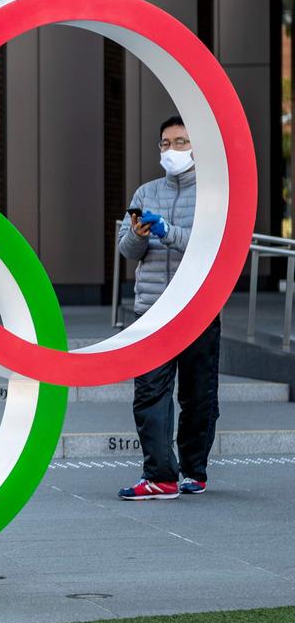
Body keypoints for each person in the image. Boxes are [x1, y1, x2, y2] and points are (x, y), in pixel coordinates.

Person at [116, 115, 219, 501]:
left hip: (198, 308)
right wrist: (141, 235)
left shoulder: (213, 196)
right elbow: (127, 251)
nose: (171, 150)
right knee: (149, 393)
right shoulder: (145, 193)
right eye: (165, 143)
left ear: (195, 147)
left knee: (198, 395)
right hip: (153, 309)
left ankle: (194, 469)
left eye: (180, 142)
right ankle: (160, 475)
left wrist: (167, 233)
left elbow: (210, 247)